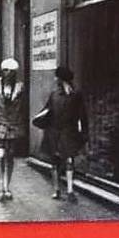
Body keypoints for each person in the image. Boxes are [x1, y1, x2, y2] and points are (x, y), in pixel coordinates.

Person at [40, 66, 88, 201]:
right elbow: (48, 112)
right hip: (59, 132)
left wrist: (83, 132)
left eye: (57, 77)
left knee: (62, 161)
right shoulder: (60, 94)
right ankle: (63, 190)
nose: (55, 79)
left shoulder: (70, 95)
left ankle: (64, 190)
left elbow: (82, 115)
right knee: (63, 161)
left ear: (60, 79)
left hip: (63, 131)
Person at [0, 57, 26, 202]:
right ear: (2, 71)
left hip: (13, 125)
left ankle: (7, 187)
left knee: (10, 156)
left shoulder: (20, 87)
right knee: (0, 155)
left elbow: (22, 109)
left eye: (12, 71)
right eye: (6, 70)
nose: (9, 74)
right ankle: (0, 185)